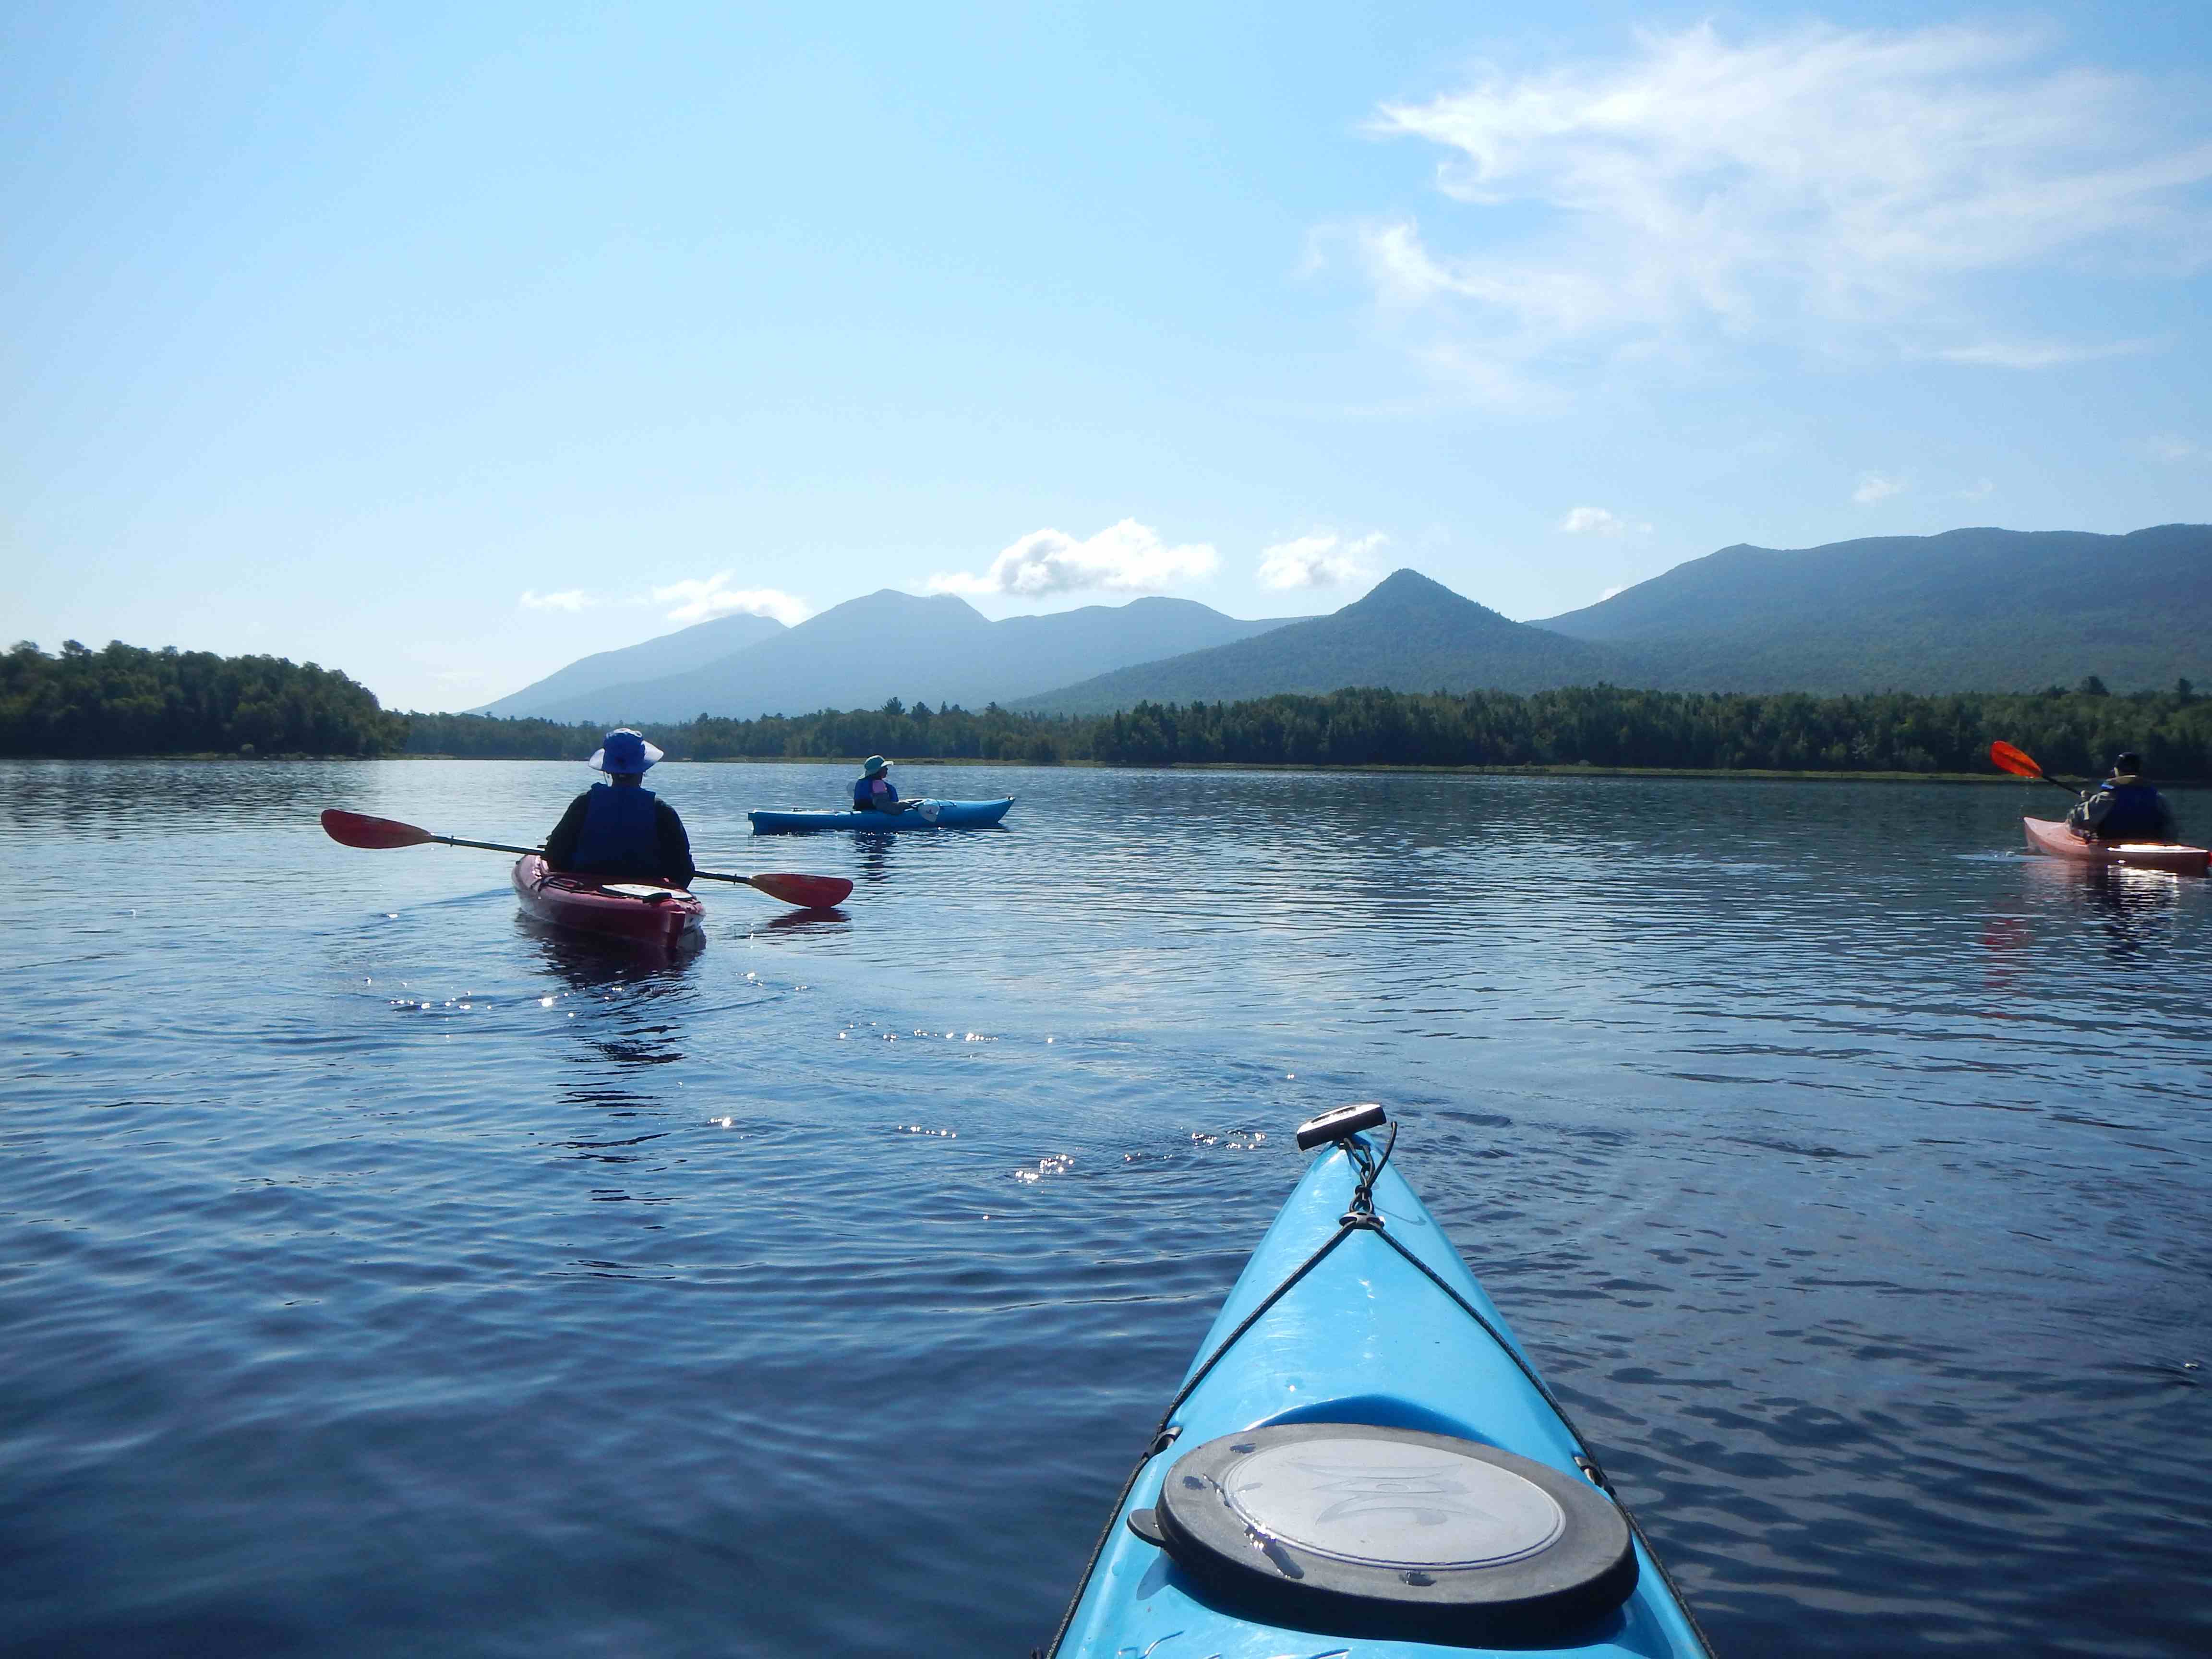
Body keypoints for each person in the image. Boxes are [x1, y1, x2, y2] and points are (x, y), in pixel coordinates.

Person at [544, 729, 696, 885]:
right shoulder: (663, 812)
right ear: (643, 768)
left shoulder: (584, 804)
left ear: (608, 769)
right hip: (646, 893)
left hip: (586, 888)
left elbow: (556, 858)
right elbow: (683, 872)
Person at [2067, 752, 2176, 842]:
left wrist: (2084, 802)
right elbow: (2171, 832)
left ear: (2116, 771)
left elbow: (2076, 821)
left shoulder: (2107, 798)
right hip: (2151, 845)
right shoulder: (2158, 798)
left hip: (2113, 843)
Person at [850, 755, 919, 815]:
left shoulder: (862, 782)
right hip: (873, 810)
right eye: (885, 768)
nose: (887, 770)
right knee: (905, 805)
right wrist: (900, 808)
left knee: (907, 803)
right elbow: (882, 805)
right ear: (877, 771)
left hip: (862, 809)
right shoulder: (878, 784)